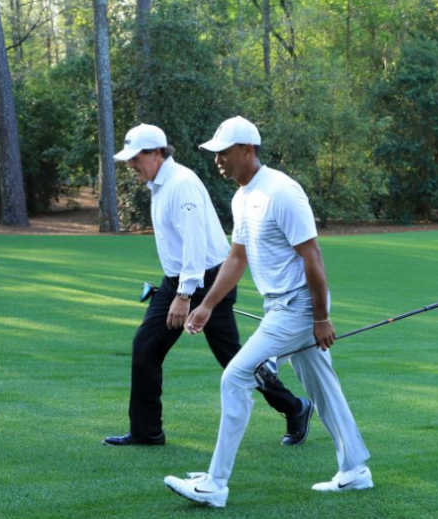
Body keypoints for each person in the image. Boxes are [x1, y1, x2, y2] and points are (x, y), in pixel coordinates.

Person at [164, 117, 372, 508]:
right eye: (215, 154)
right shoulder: (241, 197)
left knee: (236, 377)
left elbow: (313, 258)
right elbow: (237, 258)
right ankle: (355, 469)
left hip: (297, 308)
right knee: (323, 389)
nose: (218, 161)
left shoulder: (281, 192)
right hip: (278, 306)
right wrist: (206, 305)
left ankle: (215, 484)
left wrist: (321, 317)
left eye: (224, 153)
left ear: (247, 150)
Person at [103, 123, 313, 448]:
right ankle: (147, 432)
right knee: (145, 348)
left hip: (207, 279)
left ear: (157, 154)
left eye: (135, 158)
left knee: (233, 360)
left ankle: (295, 407)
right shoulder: (160, 184)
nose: (130, 165)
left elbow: (195, 242)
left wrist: (185, 295)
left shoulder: (181, 184)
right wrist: (179, 288)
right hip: (179, 281)